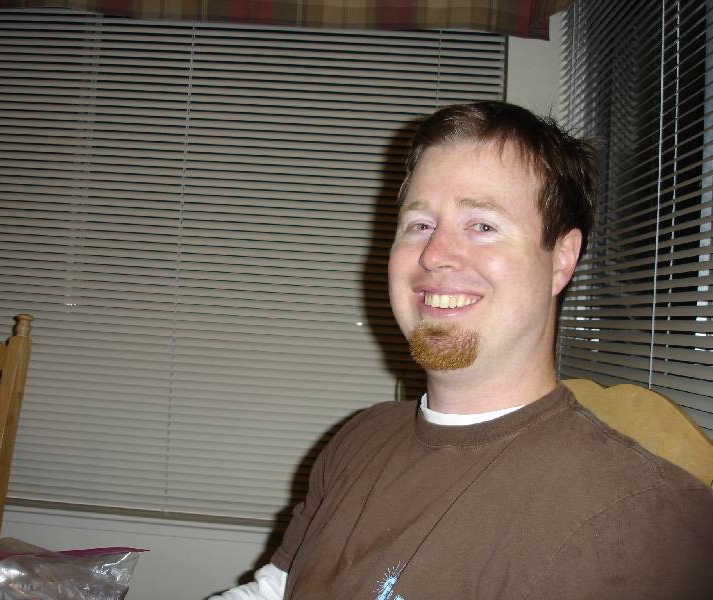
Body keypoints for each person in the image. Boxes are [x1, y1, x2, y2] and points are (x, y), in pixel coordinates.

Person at [210, 101, 713, 599]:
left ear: (561, 260)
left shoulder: (643, 521)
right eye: (420, 225)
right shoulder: (360, 438)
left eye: (482, 226)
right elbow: (274, 591)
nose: (435, 255)